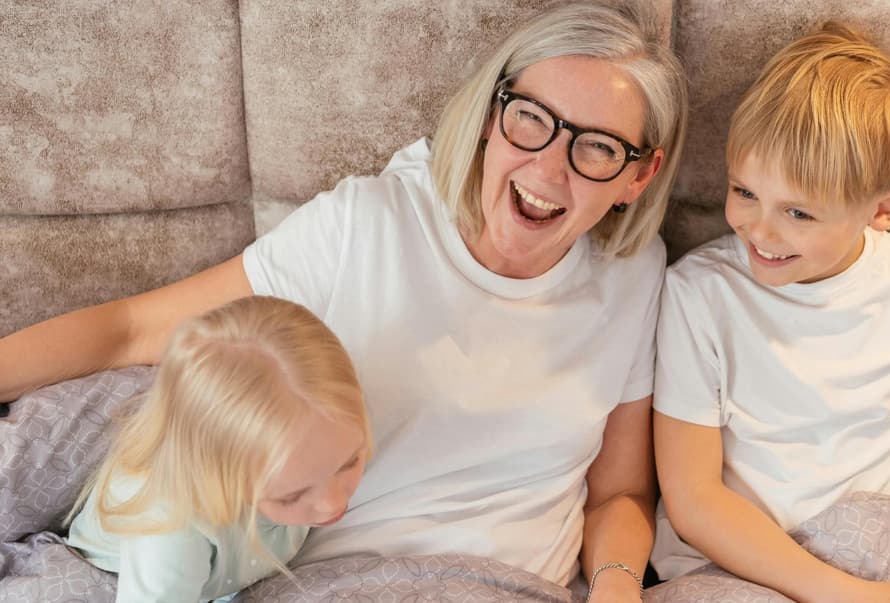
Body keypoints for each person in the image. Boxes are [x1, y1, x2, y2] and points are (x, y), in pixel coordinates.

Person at [0, 2, 688, 601]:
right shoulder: (368, 226)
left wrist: (616, 585)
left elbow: (620, 493)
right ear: (491, 114)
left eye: (598, 148)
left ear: (639, 174)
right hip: (327, 582)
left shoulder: (634, 276)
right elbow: (132, 330)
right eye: (531, 119)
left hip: (508, 584)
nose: (548, 167)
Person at [649, 22, 890, 603]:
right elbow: (693, 499)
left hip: (878, 550)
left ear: (885, 207)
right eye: (745, 192)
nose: (760, 230)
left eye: (799, 213)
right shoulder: (699, 296)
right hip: (734, 566)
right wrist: (842, 594)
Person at [65, 296, 371, 602]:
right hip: (112, 577)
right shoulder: (171, 530)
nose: (333, 503)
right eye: (292, 496)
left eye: (350, 462)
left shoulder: (322, 422)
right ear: (221, 475)